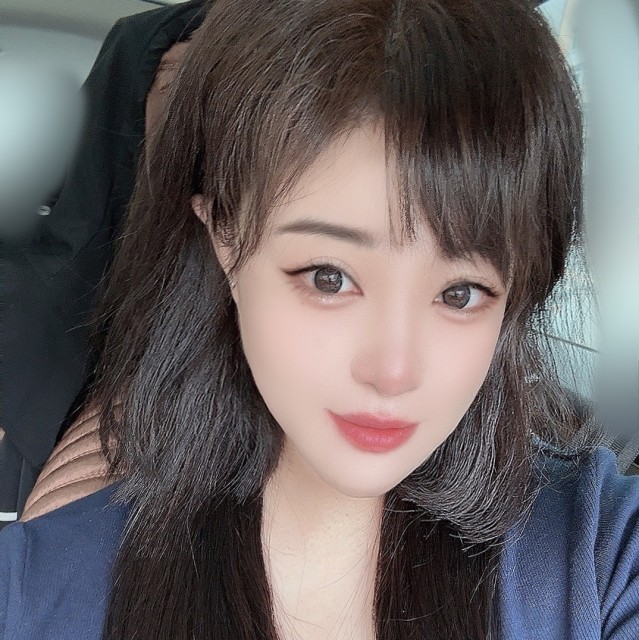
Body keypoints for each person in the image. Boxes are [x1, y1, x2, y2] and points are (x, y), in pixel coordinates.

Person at [1, 0, 637, 639]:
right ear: (225, 237)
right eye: (329, 278)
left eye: (461, 293)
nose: (393, 372)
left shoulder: (598, 556)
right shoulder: (33, 591)